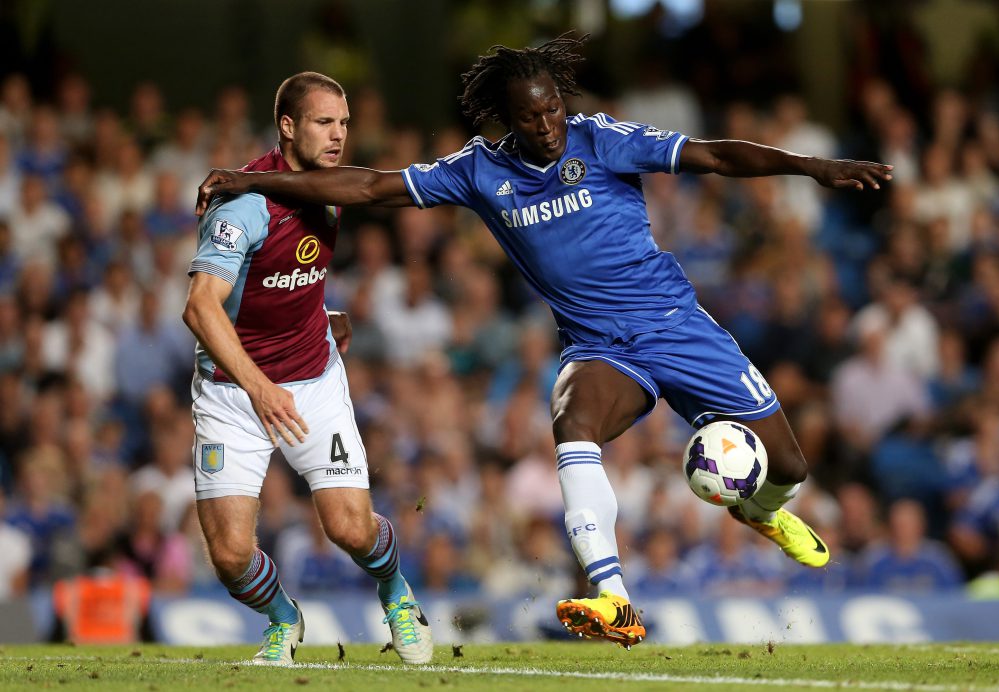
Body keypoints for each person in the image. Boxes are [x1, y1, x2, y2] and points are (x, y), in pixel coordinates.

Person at [196, 36, 892, 649]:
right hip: (601, 347)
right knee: (572, 420)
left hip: (679, 326)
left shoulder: (602, 139)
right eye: (531, 115)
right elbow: (371, 187)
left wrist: (813, 167)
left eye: (554, 107)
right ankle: (611, 596)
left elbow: (712, 155)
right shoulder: (479, 171)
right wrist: (252, 181)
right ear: (507, 118)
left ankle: (759, 510)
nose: (549, 124)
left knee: (790, 467)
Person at [183, 72, 432, 666]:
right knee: (229, 555)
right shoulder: (242, 207)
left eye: (344, 123)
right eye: (325, 122)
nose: (339, 134)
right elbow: (200, 306)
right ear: (289, 127)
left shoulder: (330, 185)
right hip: (233, 393)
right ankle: (283, 618)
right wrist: (260, 387)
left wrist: (322, 312)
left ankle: (397, 594)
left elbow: (282, 278)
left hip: (314, 378)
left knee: (350, 529)